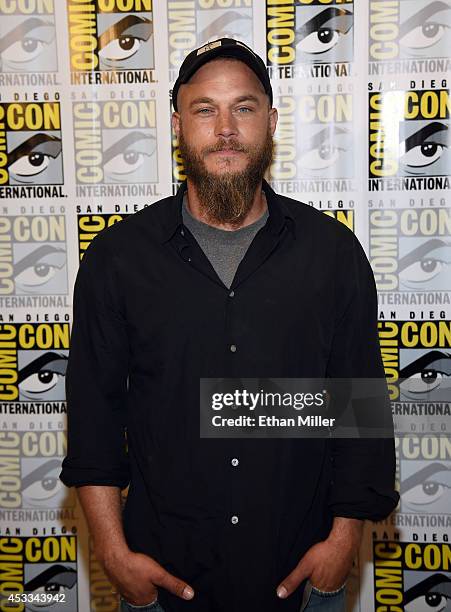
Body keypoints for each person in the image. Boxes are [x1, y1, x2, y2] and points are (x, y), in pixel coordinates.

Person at [60, 39, 399, 612]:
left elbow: (358, 410)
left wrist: (343, 541)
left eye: (242, 108)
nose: (224, 128)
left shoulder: (332, 254)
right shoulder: (118, 258)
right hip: (165, 580)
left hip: (300, 577)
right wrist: (115, 555)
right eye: (204, 109)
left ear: (269, 121)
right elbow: (94, 423)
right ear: (177, 124)